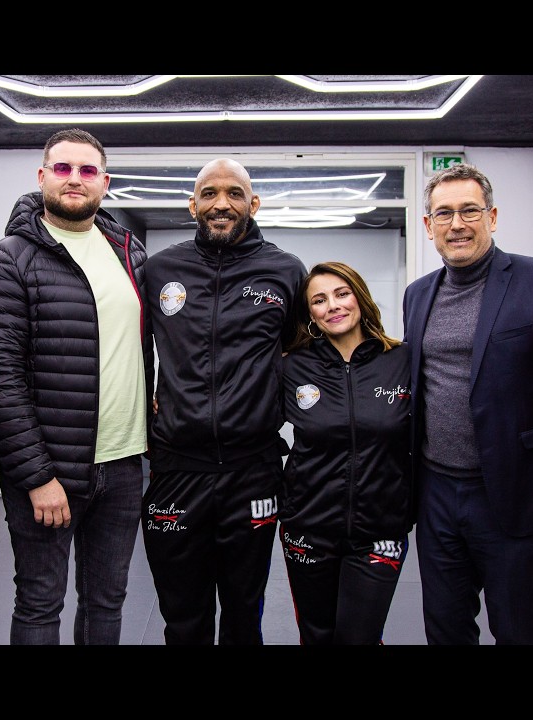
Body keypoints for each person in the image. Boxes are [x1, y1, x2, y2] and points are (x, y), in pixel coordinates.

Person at [0, 128, 150, 645]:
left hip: (124, 465)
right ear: (42, 176)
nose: (75, 179)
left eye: (88, 170)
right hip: (50, 471)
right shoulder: (8, 260)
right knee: (40, 602)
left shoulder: (128, 254)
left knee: (106, 602)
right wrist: (35, 477)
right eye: (64, 168)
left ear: (105, 183)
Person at [403, 163, 533, 645]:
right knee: (445, 628)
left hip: (515, 495)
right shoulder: (417, 295)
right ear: (428, 226)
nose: (457, 224)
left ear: (492, 216)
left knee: (518, 630)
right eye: (443, 214)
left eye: (469, 210)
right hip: (436, 492)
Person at [144, 157, 307, 645]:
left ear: (253, 203)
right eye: (209, 193)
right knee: (183, 617)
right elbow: (124, 347)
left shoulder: (285, 271)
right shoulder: (159, 270)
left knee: (243, 615)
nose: (221, 203)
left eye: (234, 193)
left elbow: (306, 355)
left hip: (252, 470)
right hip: (177, 468)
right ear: (192, 204)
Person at [279, 261, 412, 645]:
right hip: (308, 527)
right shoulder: (292, 367)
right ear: (311, 315)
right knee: (317, 635)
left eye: (341, 293)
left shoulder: (401, 360)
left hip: (380, 531)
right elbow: (247, 412)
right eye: (319, 300)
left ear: (359, 297)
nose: (332, 305)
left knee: (361, 637)